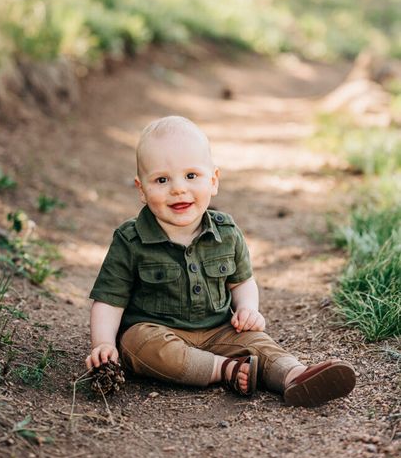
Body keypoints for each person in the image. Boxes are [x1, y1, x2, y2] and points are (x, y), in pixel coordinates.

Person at [86, 116, 356, 406]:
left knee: (256, 341)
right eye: (162, 180)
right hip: (158, 333)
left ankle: (295, 376)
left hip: (219, 330)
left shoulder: (225, 233)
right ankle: (223, 369)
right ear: (142, 189)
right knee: (135, 343)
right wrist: (102, 343)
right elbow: (109, 300)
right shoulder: (131, 240)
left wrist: (248, 309)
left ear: (213, 181)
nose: (178, 189)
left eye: (191, 176)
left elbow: (242, 281)